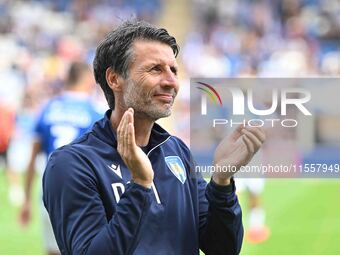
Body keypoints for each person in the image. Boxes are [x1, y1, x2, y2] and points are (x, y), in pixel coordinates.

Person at [43, 20, 266, 255]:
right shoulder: (72, 163)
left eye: (174, 70)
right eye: (155, 69)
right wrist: (140, 185)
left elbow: (222, 248)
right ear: (114, 79)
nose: (171, 82)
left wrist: (221, 182)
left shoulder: (177, 152)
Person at [20, 61, 102, 255]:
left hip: (51, 191)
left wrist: (26, 199)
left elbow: (32, 158)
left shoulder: (48, 109)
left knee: (53, 251)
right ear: (87, 79)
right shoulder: (95, 113)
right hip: (83, 195)